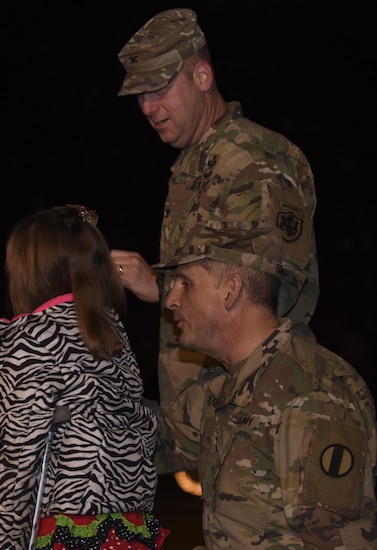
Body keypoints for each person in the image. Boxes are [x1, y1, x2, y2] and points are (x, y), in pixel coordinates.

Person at [109, 8, 319, 415]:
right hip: (213, 415)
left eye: (160, 89)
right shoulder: (194, 164)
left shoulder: (254, 161)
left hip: (260, 413)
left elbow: (270, 298)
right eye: (140, 95)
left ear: (202, 78)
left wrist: (161, 286)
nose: (148, 108)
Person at [147, 221, 377, 549]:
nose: (170, 299)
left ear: (231, 290)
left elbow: (335, 543)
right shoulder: (223, 384)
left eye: (185, 283)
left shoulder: (312, 395)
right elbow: (148, 440)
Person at [0, 204, 169, 549]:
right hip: (129, 530)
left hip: (70, 530)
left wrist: (0, 543)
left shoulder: (29, 339)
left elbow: (15, 461)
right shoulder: (110, 330)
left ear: (27, 273)